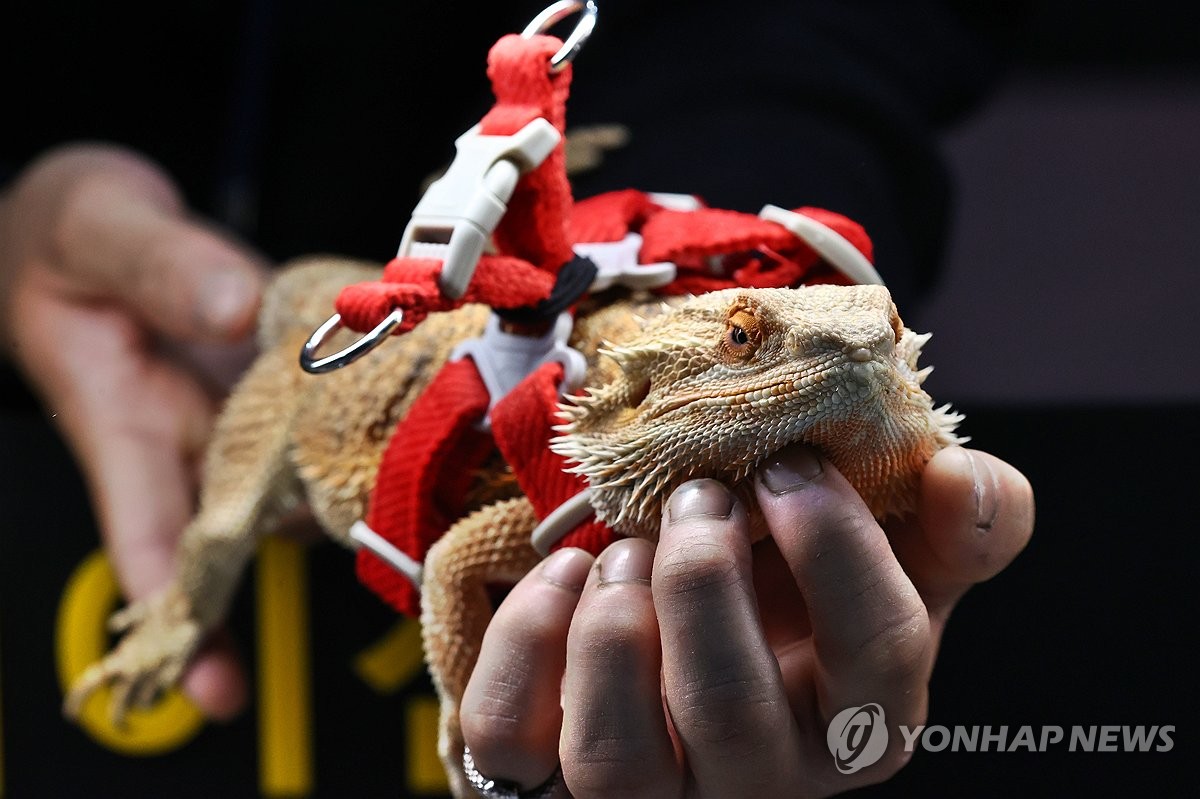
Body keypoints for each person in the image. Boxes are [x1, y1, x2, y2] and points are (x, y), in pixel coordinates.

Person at [0, 1, 1034, 795]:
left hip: (648, 171)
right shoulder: (580, 437)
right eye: (744, 339)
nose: (856, 355)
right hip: (214, 385)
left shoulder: (807, 388)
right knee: (222, 530)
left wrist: (712, 221)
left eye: (879, 340)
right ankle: (176, 616)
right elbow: (458, 555)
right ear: (637, 388)